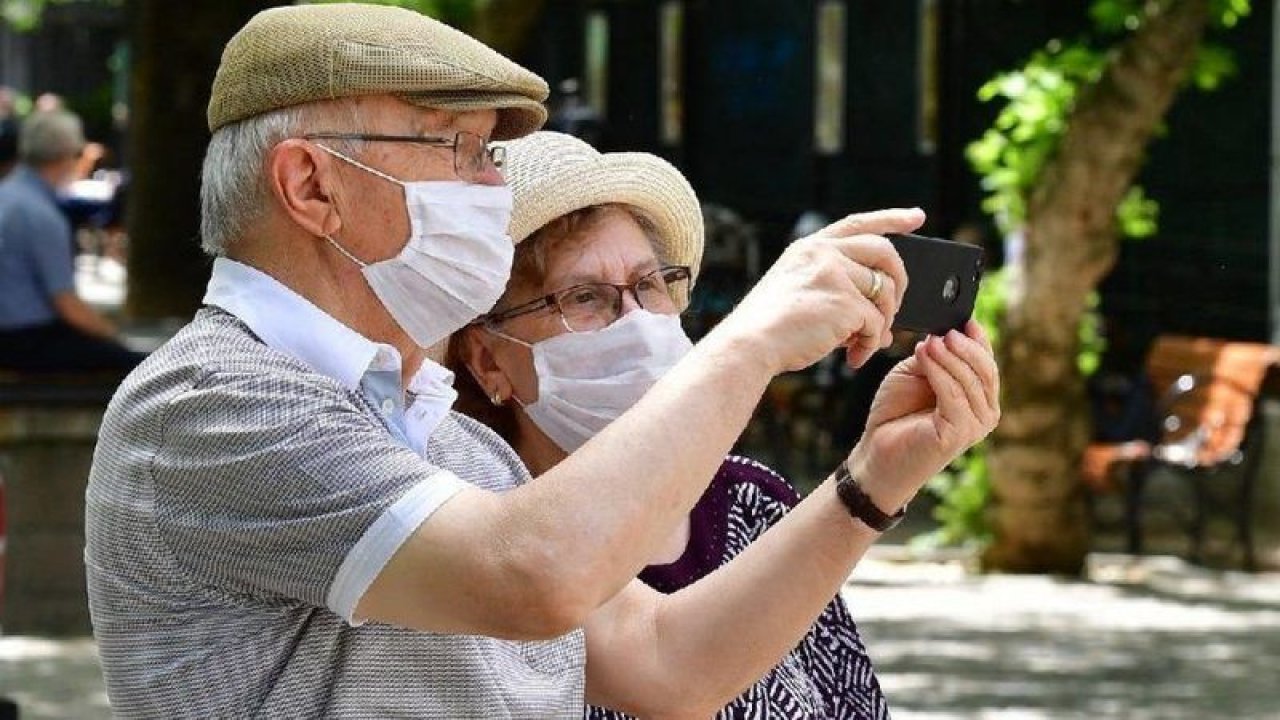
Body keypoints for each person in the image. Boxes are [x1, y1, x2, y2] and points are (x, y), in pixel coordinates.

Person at [85, 4, 1000, 718]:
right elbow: (531, 577)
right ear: (310, 185)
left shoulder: (455, 448)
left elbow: (671, 669)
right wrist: (751, 341)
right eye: (467, 151)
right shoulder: (211, 403)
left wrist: (870, 481)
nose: (495, 188)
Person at [449, 130, 890, 718]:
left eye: (650, 284)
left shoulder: (750, 503)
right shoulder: (474, 532)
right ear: (487, 360)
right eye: (584, 297)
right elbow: (666, 667)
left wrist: (888, 463)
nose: (635, 321)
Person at [0, 109, 145, 374]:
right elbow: (67, 304)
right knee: (134, 365)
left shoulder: (9, 195)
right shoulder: (40, 214)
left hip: (15, 333)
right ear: (67, 154)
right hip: (22, 339)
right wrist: (113, 336)